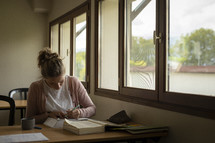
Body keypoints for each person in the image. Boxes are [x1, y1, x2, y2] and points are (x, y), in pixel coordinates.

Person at [26, 48, 96, 124]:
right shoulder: (35, 87)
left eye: (61, 82)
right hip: (46, 131)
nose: (58, 87)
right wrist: (48, 115)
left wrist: (79, 112)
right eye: (52, 83)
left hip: (72, 129)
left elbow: (92, 109)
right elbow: (29, 118)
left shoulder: (74, 82)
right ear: (44, 78)